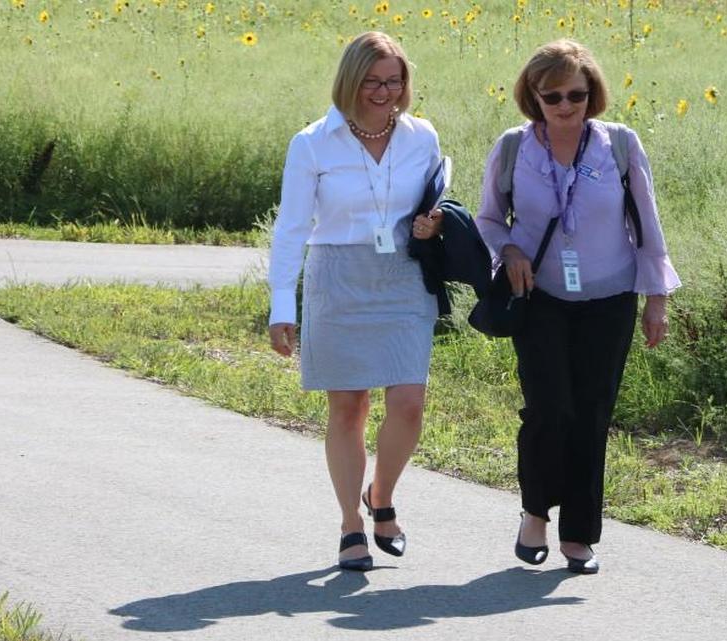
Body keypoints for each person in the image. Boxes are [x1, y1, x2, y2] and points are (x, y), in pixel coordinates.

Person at [476, 39, 681, 574]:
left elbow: (647, 227)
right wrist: (510, 249)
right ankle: (535, 512)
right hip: (538, 297)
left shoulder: (619, 144)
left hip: (609, 298)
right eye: (554, 97)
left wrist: (655, 298)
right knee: (549, 409)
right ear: (533, 98)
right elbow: (489, 219)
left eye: (577, 95)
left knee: (591, 415)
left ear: (592, 95)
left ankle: (579, 535)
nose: (566, 106)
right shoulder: (513, 148)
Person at [267, 31, 445, 572]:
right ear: (350, 80)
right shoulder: (312, 143)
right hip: (338, 278)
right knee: (349, 407)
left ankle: (382, 495)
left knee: (409, 402)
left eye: (394, 81)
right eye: (372, 81)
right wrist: (282, 304)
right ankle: (351, 523)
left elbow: (439, 199)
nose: (384, 92)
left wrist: (435, 222)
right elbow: (292, 227)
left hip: (402, 278)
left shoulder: (422, 137)